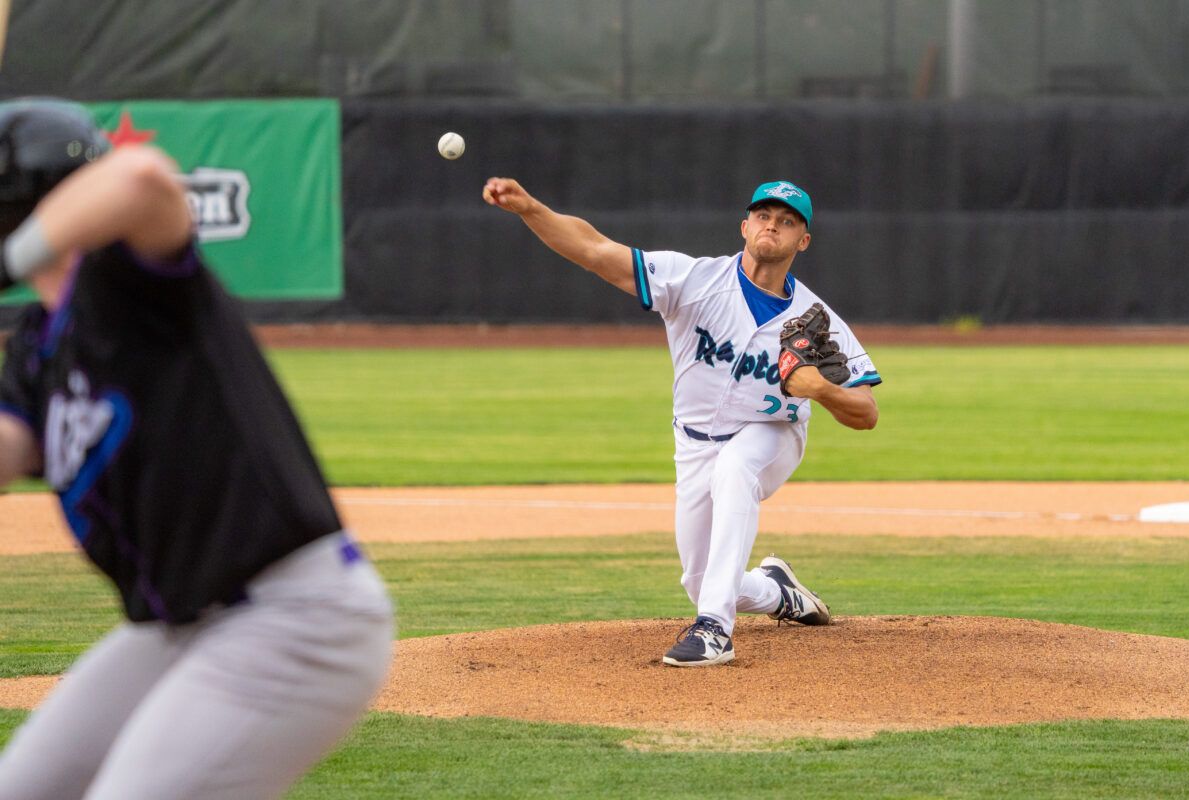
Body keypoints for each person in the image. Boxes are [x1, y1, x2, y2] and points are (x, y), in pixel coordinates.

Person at [0, 99, 394, 798]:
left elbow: (144, 176)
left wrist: (8, 258)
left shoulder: (131, 280)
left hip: (293, 619)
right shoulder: (38, 347)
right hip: (177, 625)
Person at [483, 176, 881, 667]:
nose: (771, 226)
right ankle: (777, 592)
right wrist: (530, 209)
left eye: (786, 221)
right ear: (744, 225)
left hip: (772, 433)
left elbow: (867, 413)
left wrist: (820, 389)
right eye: (763, 215)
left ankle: (715, 630)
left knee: (736, 469)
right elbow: (594, 250)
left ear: (803, 241)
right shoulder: (692, 280)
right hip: (693, 444)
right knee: (702, 578)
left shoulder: (817, 318)